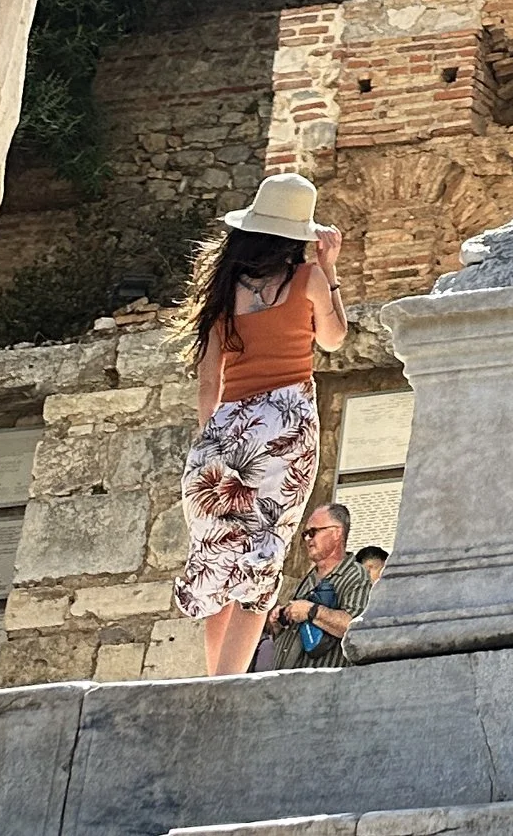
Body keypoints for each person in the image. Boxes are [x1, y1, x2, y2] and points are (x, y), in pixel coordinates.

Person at [174, 172, 350, 678]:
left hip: (226, 432)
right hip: (285, 427)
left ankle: (214, 678)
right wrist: (330, 268)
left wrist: (213, 447)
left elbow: (208, 387)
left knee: (218, 560)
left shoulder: (222, 292)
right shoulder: (308, 278)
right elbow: (334, 339)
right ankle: (228, 685)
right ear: (298, 234)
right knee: (261, 559)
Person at [266, 498, 371, 668]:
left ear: (337, 533)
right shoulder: (309, 578)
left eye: (313, 532)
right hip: (287, 684)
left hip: (322, 687)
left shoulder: (355, 574)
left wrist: (311, 611)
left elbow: (356, 629)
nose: (307, 539)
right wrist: (280, 625)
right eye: (304, 534)